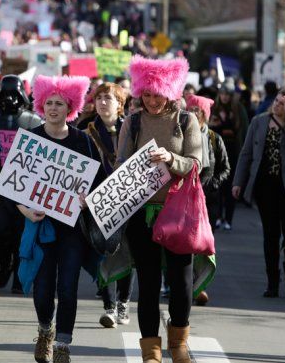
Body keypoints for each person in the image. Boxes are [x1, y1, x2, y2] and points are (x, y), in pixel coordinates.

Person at [117, 56, 202, 363]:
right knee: (149, 284)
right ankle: (150, 349)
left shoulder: (186, 120)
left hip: (178, 212)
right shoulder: (134, 120)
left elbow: (196, 164)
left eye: (158, 94)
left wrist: (170, 158)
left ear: (171, 91)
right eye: (147, 94)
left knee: (181, 284)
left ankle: (178, 341)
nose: (152, 101)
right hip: (143, 214)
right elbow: (120, 165)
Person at [19, 75, 103, 363]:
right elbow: (13, 186)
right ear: (41, 106)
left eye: (60, 103)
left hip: (73, 229)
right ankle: (45, 330)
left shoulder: (84, 141)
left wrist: (87, 200)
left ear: (71, 107)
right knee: (42, 290)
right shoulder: (32, 139)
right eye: (49, 103)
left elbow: (99, 182)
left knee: (68, 287)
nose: (54, 108)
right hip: (42, 227)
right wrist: (26, 210)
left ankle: (63, 345)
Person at [232, 89, 285, 298]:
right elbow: (246, 153)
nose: (278, 105)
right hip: (265, 187)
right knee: (270, 236)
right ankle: (272, 282)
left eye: (284, 102)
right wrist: (238, 182)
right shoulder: (259, 121)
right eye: (277, 101)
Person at [83, 82, 133, 328]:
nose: (103, 102)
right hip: (98, 202)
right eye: (99, 97)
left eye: (109, 98)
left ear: (119, 104)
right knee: (103, 253)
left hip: (128, 200)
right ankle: (108, 306)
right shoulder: (86, 131)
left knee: (126, 252)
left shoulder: (132, 128)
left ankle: (123, 303)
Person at [0, 75, 42, 293]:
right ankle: (4, 263)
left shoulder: (33, 121)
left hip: (24, 187)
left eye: (14, 93)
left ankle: (19, 276)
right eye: (6, 93)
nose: (9, 98)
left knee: (22, 235)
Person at [185, 94, 229, 305]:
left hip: (206, 200)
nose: (192, 114)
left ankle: (199, 284)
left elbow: (224, 168)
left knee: (200, 243)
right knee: (180, 241)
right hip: (182, 198)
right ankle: (179, 283)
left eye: (197, 111)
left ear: (204, 115)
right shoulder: (180, 133)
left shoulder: (213, 138)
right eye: (190, 109)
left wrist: (211, 185)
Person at [209, 85, 248, 230]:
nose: (225, 97)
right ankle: (218, 216)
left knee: (231, 186)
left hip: (233, 151)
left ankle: (228, 219)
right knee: (218, 185)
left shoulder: (238, 110)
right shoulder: (214, 108)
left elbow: (243, 130)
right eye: (223, 94)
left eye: (227, 94)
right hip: (217, 150)